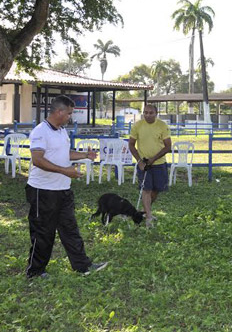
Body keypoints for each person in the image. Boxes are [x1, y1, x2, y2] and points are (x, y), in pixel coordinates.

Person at [25, 95, 108, 278]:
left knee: (70, 229)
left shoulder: (62, 131)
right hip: (43, 191)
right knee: (43, 232)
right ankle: (35, 271)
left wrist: (84, 155)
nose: (70, 116)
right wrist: (65, 171)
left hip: (63, 190)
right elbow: (37, 160)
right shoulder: (40, 131)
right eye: (69, 113)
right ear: (59, 111)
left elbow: (65, 153)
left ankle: (83, 266)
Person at [128, 104, 172, 228]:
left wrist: (153, 159)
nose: (147, 115)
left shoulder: (162, 126)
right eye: (145, 112)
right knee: (146, 190)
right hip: (143, 164)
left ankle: (144, 210)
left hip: (159, 163)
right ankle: (148, 217)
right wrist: (139, 161)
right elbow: (131, 144)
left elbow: (168, 146)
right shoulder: (137, 125)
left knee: (156, 190)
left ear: (156, 113)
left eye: (151, 113)